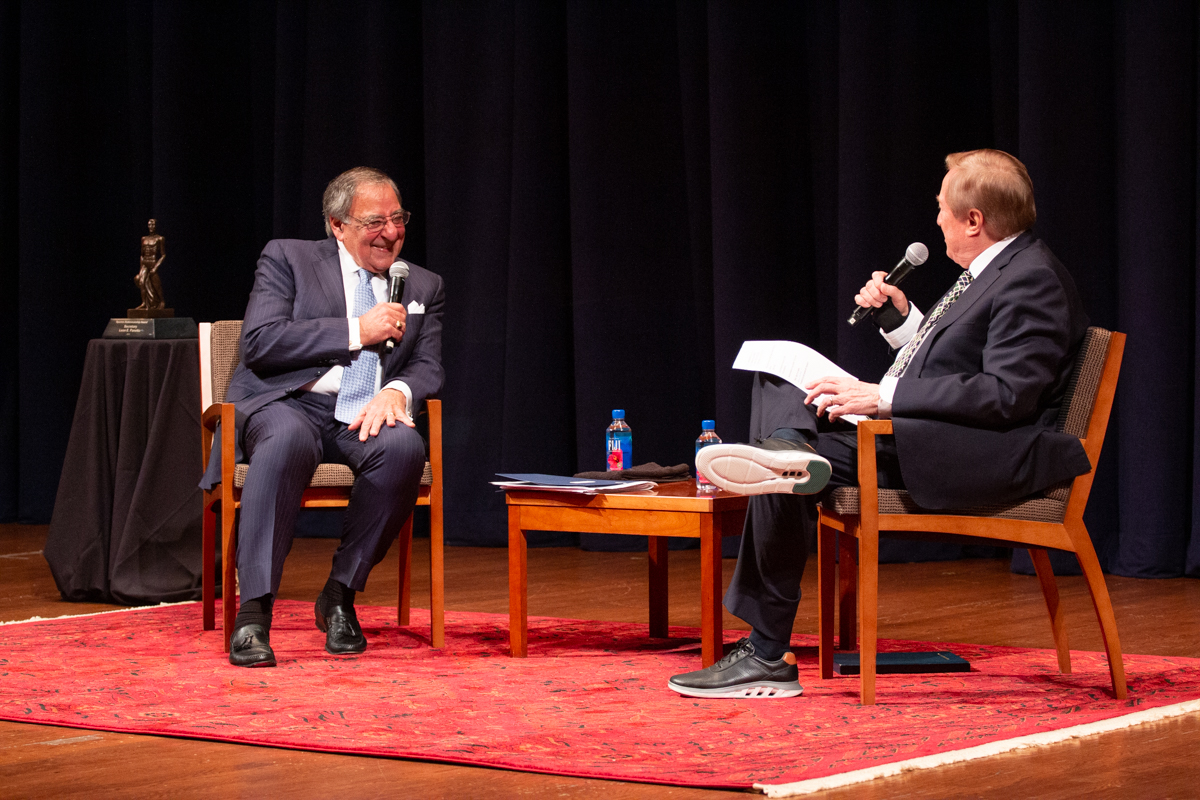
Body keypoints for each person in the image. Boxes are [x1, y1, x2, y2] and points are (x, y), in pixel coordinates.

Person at [674, 149, 1091, 698]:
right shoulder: (998, 269)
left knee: (788, 471)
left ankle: (766, 649)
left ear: (974, 220)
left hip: (969, 455)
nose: (937, 218)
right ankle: (789, 457)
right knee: (776, 380)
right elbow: (955, 362)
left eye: (943, 208)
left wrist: (883, 396)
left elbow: (1006, 394)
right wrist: (901, 321)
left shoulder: (1030, 278)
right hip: (929, 435)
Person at [200, 167, 444, 668]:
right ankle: (254, 612)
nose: (392, 233)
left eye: (398, 218)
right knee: (287, 441)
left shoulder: (422, 284)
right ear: (337, 225)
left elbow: (427, 365)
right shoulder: (288, 258)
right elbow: (261, 342)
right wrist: (357, 330)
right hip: (290, 403)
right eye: (375, 221)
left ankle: (339, 595)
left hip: (364, 415)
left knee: (403, 449)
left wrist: (397, 391)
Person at [135, 219, 166, 310]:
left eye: (153, 225)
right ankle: (144, 303)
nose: (151, 227)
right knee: (141, 282)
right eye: (149, 225)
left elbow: (163, 255)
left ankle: (162, 301)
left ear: (156, 226)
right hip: (145, 263)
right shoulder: (144, 239)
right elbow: (142, 255)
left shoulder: (160, 239)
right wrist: (141, 269)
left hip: (153, 263)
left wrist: (156, 267)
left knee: (156, 284)